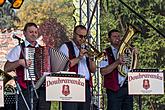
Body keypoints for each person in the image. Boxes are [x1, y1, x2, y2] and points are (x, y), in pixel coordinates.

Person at [4, 22, 51, 110]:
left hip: (43, 89)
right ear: (24, 33)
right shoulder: (19, 48)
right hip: (26, 88)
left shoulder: (44, 51)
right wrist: (19, 62)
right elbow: (6, 68)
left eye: (35, 32)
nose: (34, 34)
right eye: (31, 32)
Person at [59, 25, 96, 110]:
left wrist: (91, 59)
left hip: (85, 84)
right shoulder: (66, 47)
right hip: (71, 84)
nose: (82, 39)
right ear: (74, 34)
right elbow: (64, 66)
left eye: (85, 37)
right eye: (80, 36)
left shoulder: (86, 48)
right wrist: (79, 57)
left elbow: (93, 70)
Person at [99, 29, 134, 110]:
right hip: (114, 90)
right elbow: (103, 71)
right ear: (109, 39)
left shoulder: (127, 51)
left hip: (128, 88)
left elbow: (133, 68)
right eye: (114, 36)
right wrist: (117, 62)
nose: (117, 38)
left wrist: (135, 56)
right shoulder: (105, 53)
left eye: (119, 36)